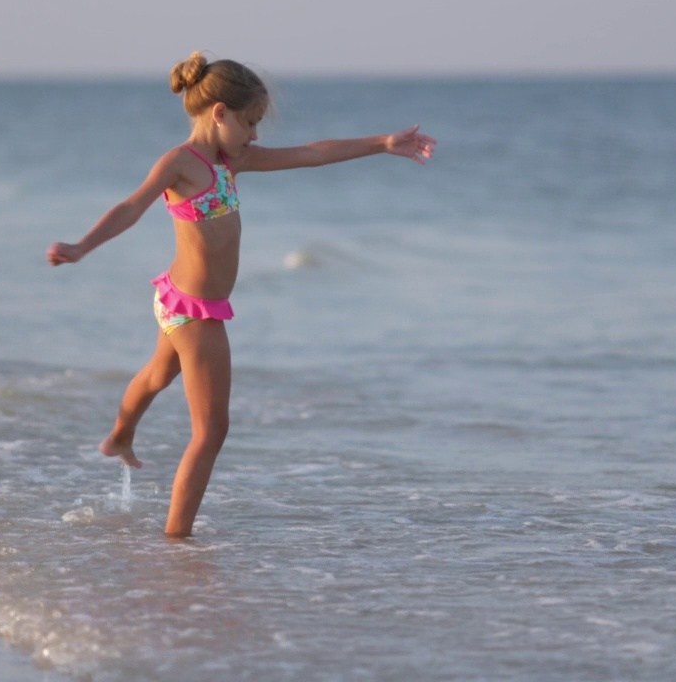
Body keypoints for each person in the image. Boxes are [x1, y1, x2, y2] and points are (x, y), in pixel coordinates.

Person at [46, 52, 436, 537]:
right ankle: (176, 542)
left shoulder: (233, 160)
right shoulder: (180, 162)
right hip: (194, 312)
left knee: (156, 375)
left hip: (177, 302)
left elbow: (312, 152)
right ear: (219, 113)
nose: (254, 135)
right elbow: (131, 206)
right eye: (249, 122)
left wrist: (382, 143)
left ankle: (120, 437)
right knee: (211, 431)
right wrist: (82, 246)